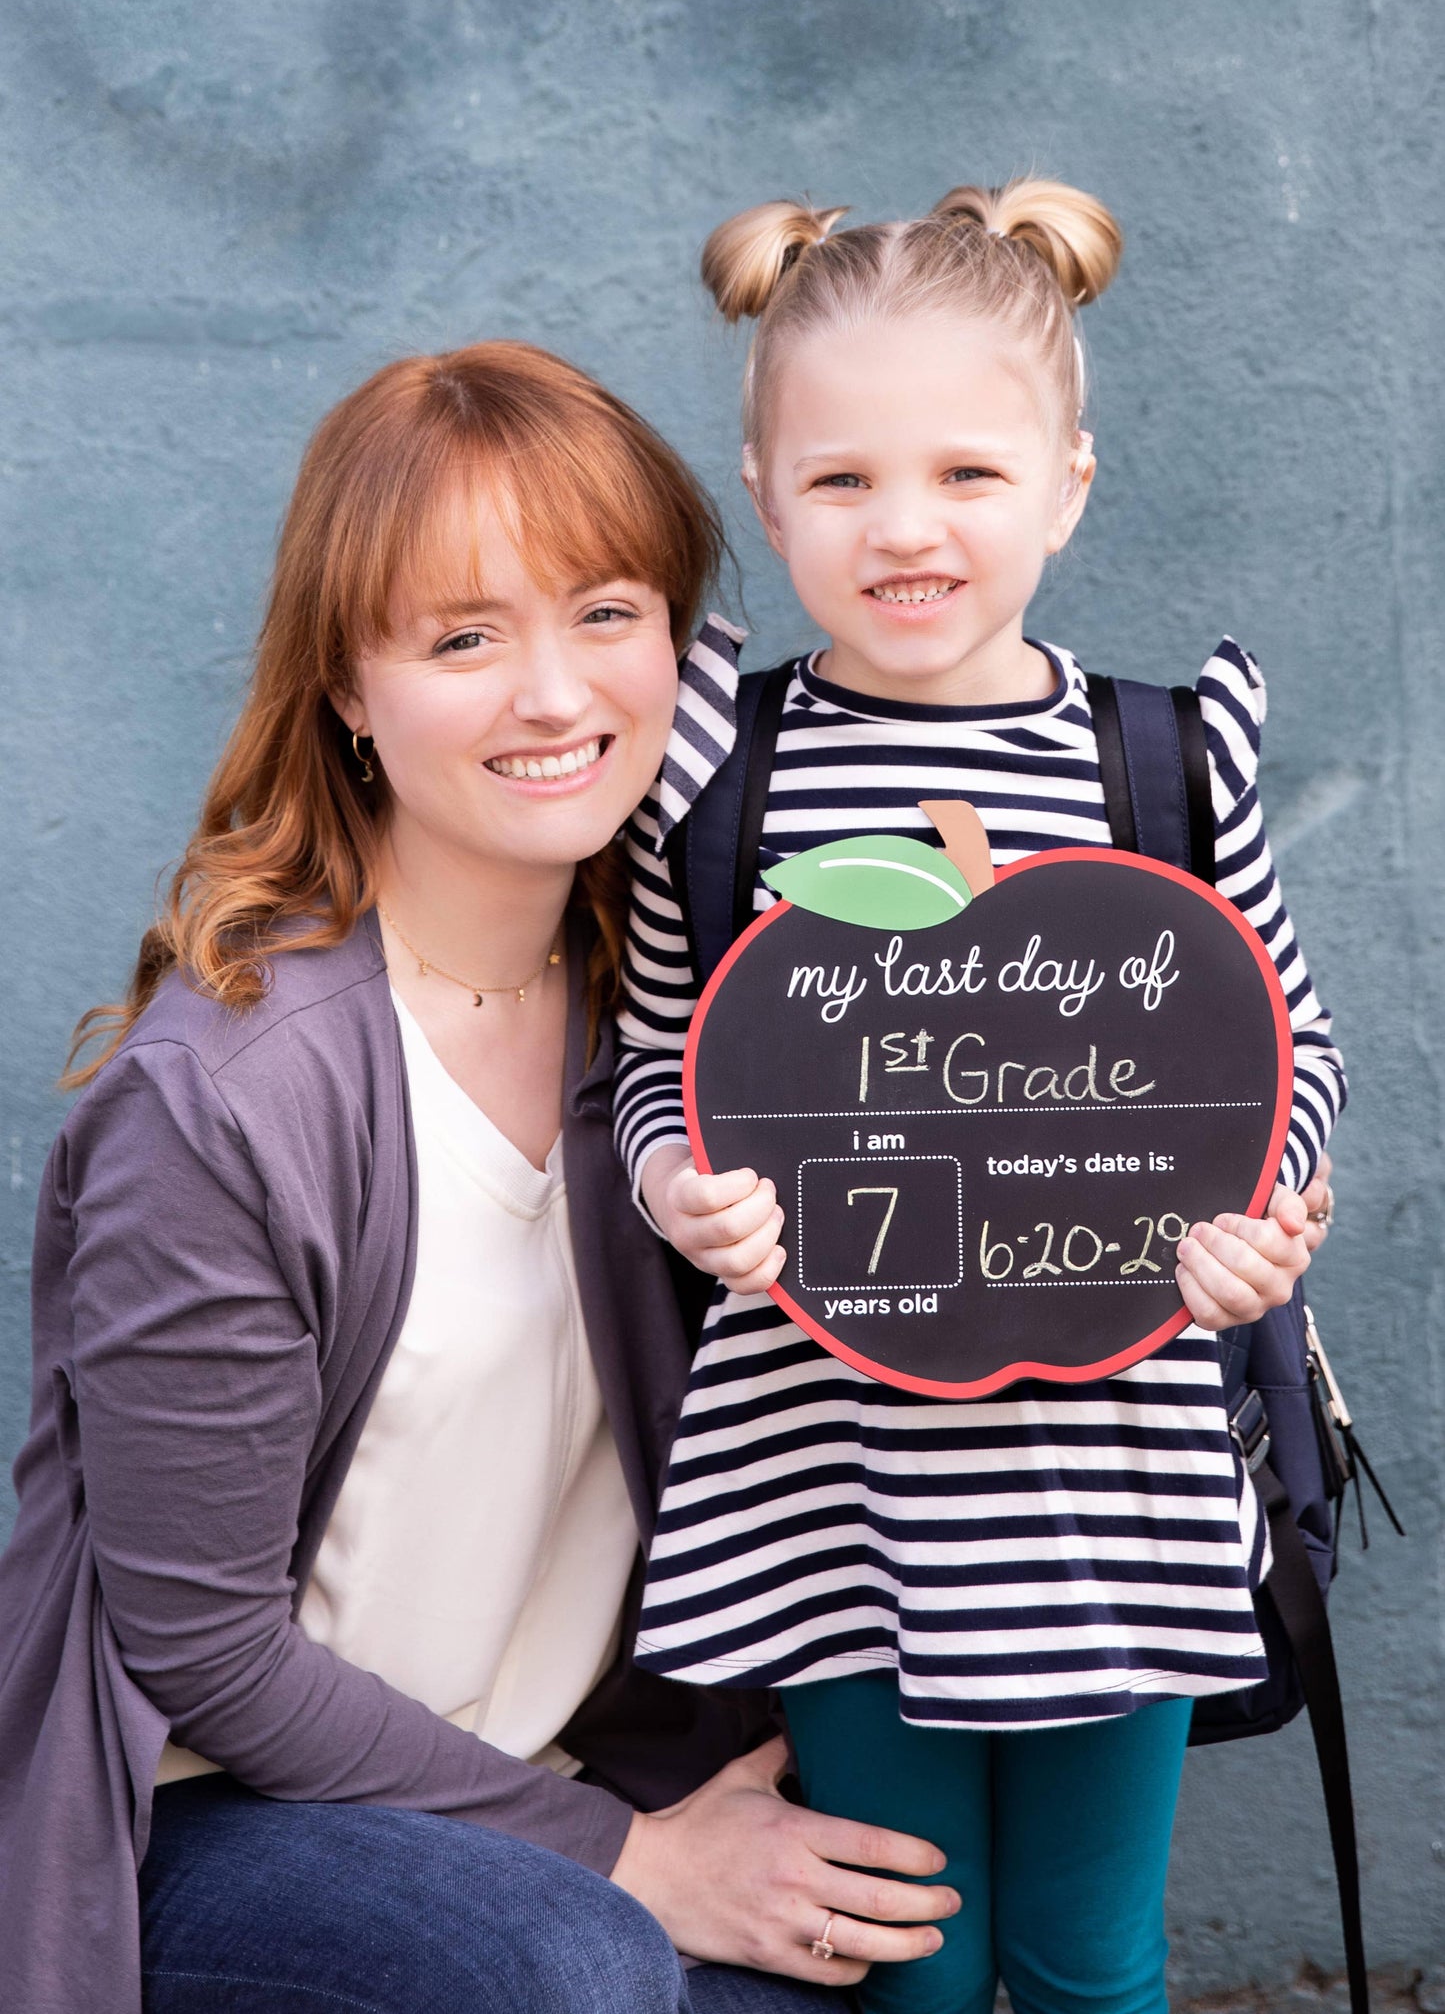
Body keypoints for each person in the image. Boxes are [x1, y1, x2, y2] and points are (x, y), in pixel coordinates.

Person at [0, 340, 964, 2014]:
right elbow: (204, 1656)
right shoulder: (229, 1100)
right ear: (348, 695)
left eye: (605, 612)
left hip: (563, 1776)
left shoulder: (684, 1025)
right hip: (218, 1820)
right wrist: (627, 1858)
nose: (553, 695)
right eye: (463, 638)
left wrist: (1220, 1208)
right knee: (566, 1967)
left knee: (851, 1955)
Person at [614, 183, 1345, 2014]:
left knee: (1089, 1963)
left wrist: (1270, 1217)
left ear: (1069, 483)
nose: (906, 528)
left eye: (967, 473)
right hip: (829, 1480)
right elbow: (649, 1050)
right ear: (768, 495)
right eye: (843, 480)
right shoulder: (721, 765)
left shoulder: (1158, 760)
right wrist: (672, 1188)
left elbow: (1285, 1049)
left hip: (1112, 1484)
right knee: (905, 1969)